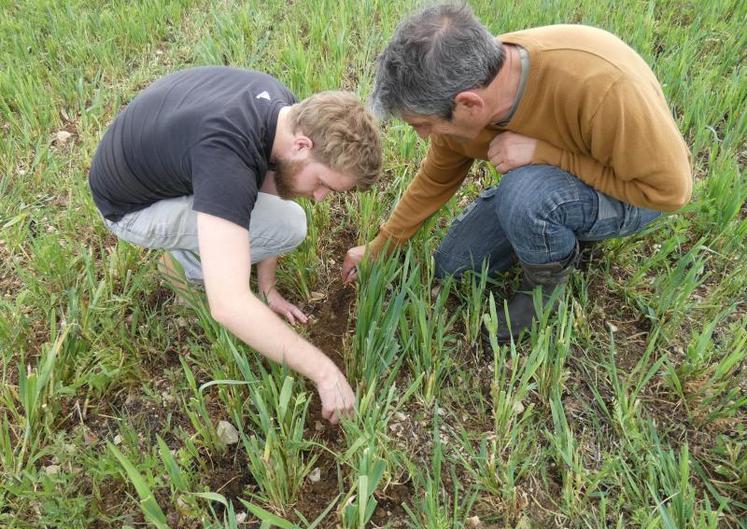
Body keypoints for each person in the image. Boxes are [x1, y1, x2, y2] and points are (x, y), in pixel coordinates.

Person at [342, 3, 691, 343]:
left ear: (469, 104)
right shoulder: (468, 88)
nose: (422, 135)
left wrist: (545, 154)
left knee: (524, 196)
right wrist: (380, 246)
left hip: (632, 191)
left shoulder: (601, 85)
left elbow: (670, 193)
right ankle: (554, 223)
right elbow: (436, 178)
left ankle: (546, 279)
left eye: (423, 124)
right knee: (454, 265)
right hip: (548, 184)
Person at [89, 66, 382, 423]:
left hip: (162, 158)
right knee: (278, 232)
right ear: (303, 145)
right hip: (130, 208)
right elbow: (228, 305)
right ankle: (180, 267)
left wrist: (268, 287)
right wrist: (325, 372)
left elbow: (271, 191)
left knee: (286, 218)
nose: (320, 197)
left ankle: (204, 248)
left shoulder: (284, 111)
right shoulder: (227, 158)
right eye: (323, 183)